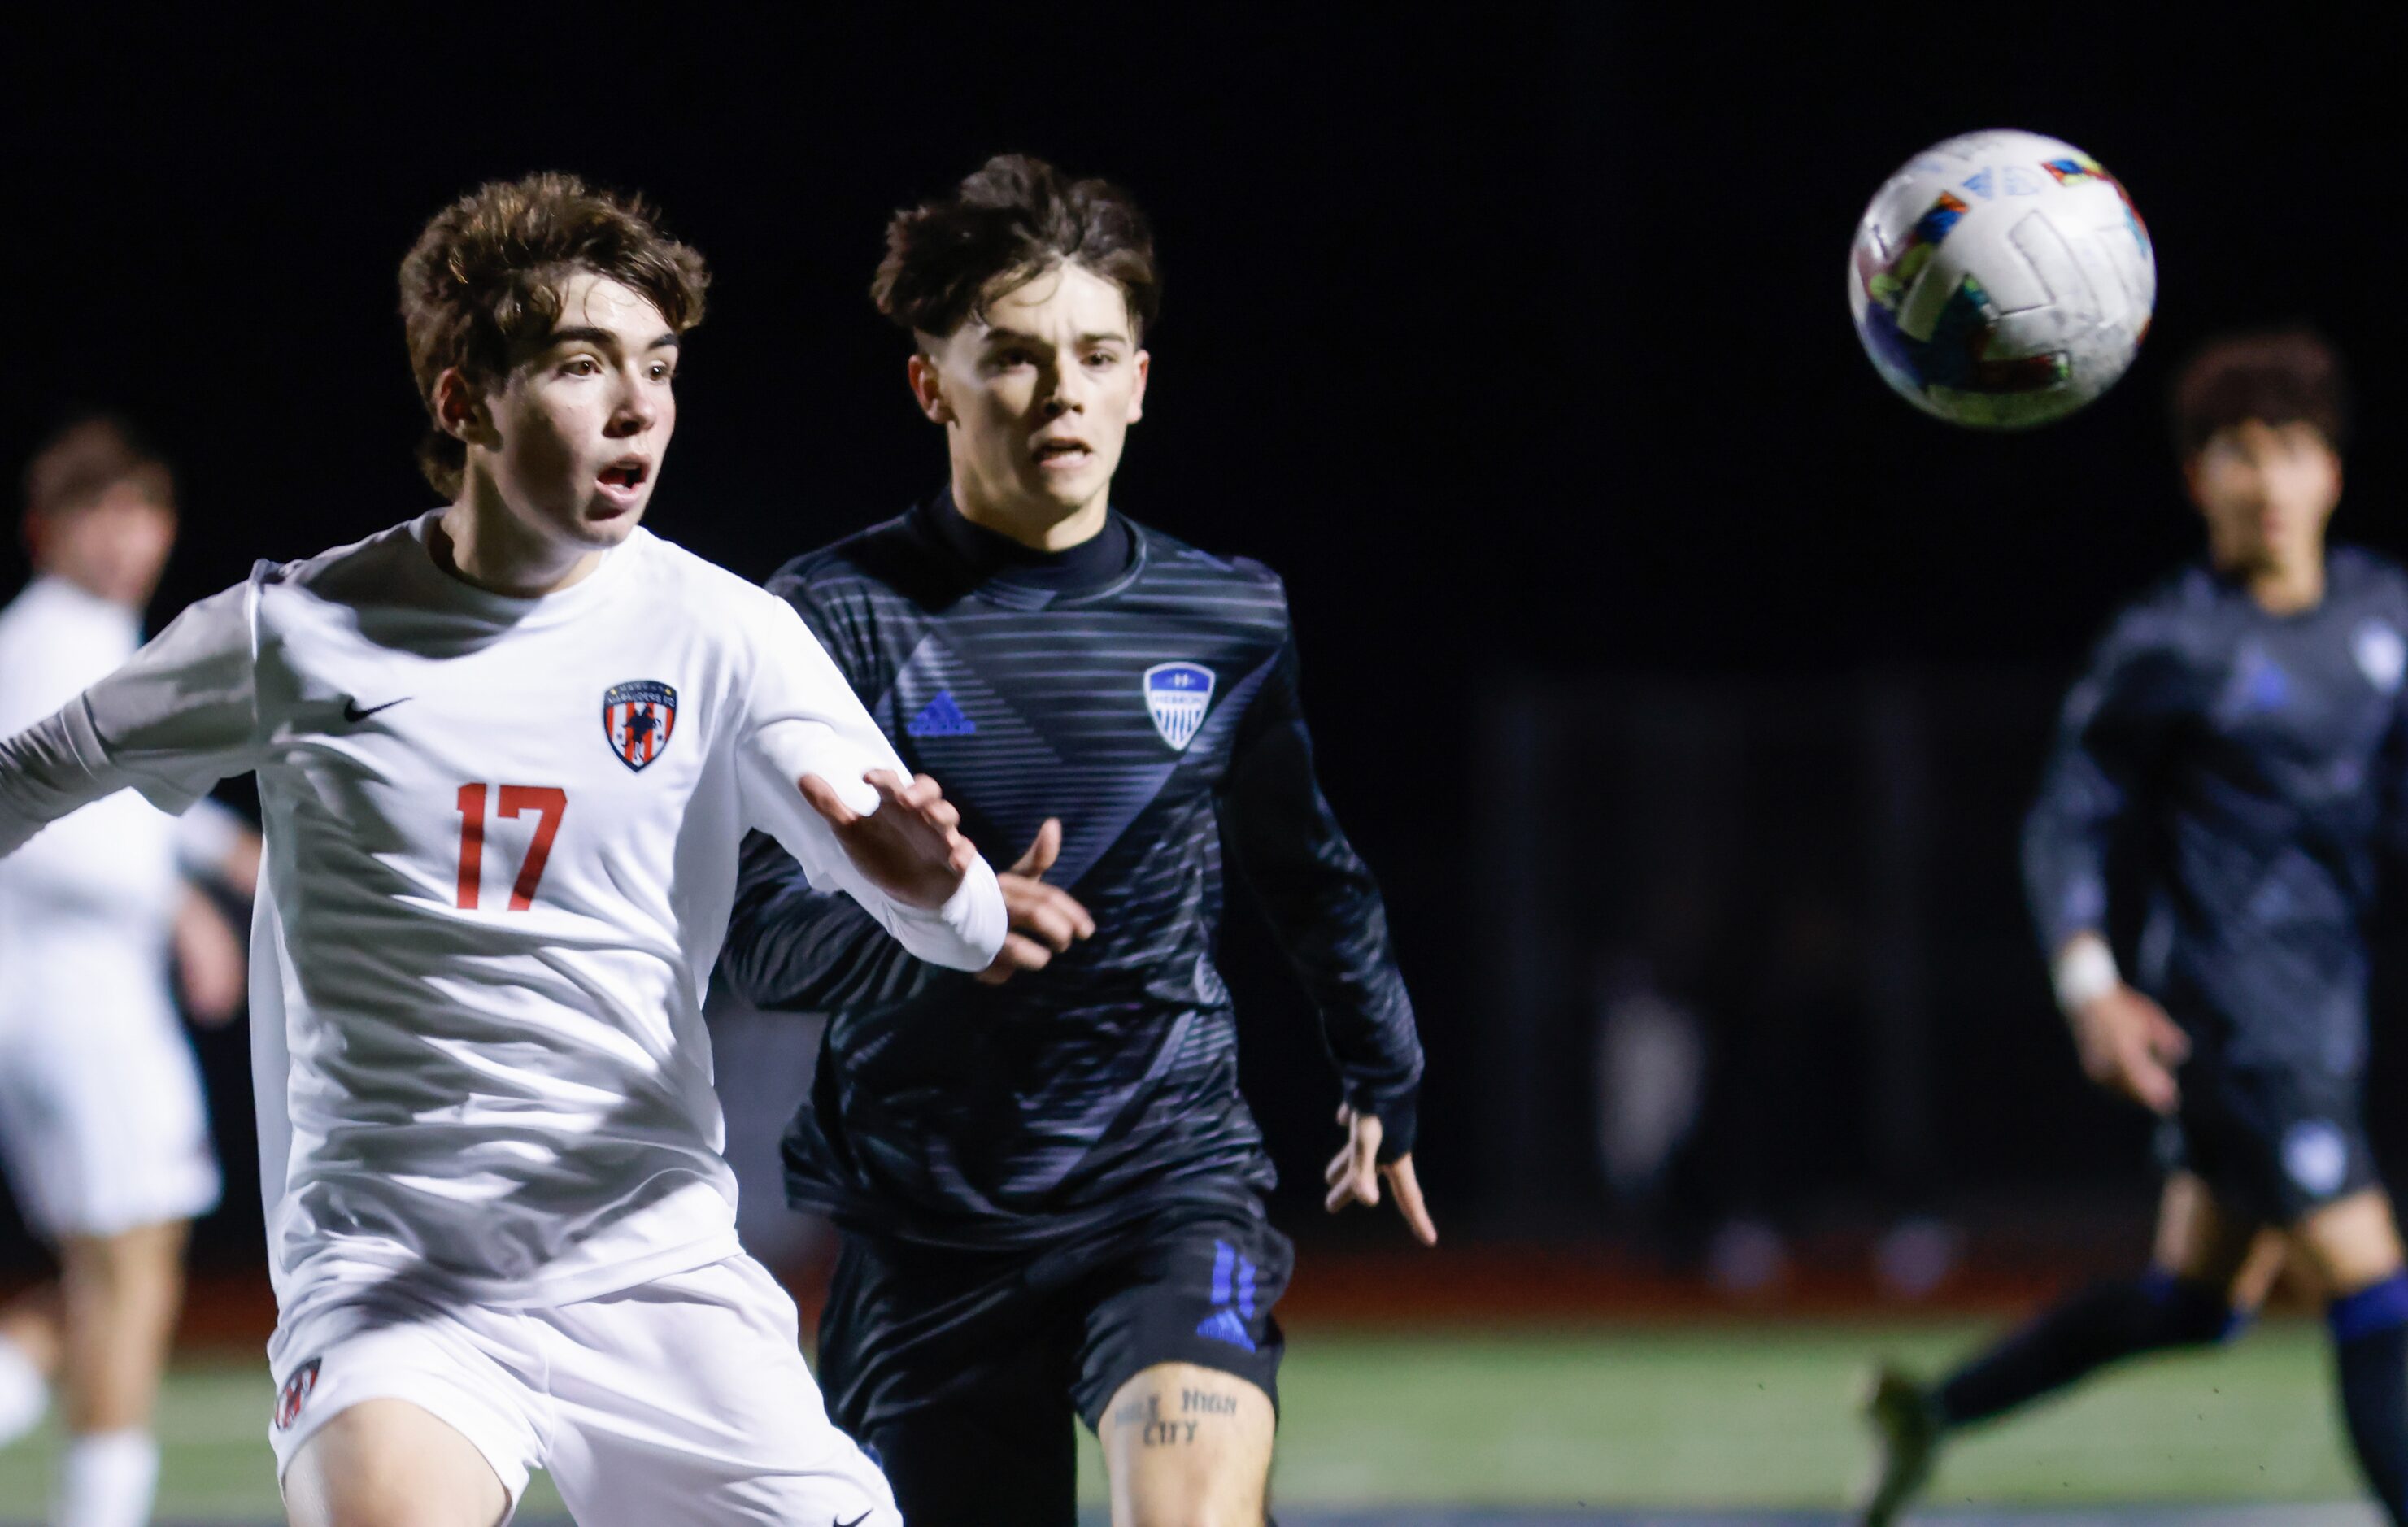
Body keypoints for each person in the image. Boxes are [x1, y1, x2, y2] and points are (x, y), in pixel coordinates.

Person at [0, 172, 1008, 1527]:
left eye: (658, 365)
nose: (639, 404)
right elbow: (28, 775)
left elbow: (967, 926)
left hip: (654, 1274)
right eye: (583, 365)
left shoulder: (723, 637)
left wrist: (938, 880)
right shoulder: (292, 634)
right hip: (394, 1288)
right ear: (463, 400)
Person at [719, 154, 1434, 1527]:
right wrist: (951, 926)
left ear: (1140, 381)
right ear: (931, 384)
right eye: (1016, 356)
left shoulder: (1226, 617)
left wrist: (1381, 1063)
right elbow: (761, 933)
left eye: (1095, 354)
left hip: (1166, 1188)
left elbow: (1305, 868)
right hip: (922, 1232)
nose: (1062, 393)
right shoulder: (828, 619)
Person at [1863, 329, 2408, 1525]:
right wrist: (2086, 983)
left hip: (2331, 1009)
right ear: (2193, 479)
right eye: (2235, 453)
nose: (2264, 480)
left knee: (2194, 1302)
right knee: (2375, 1292)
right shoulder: (2172, 643)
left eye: (2290, 450)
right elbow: (2065, 814)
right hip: (2234, 1017)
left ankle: (1934, 1410)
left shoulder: (2385, 616)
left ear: (2331, 470)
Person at [0, 417, 258, 1527]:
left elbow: (119, 783)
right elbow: (43, 819)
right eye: (100, 514)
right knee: (132, 1270)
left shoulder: (81, 635)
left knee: (107, 1265)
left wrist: (225, 851)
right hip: (75, 997)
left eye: (144, 512)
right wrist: (183, 905)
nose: (129, 537)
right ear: (45, 529)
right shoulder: (55, 636)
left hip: (62, 997)